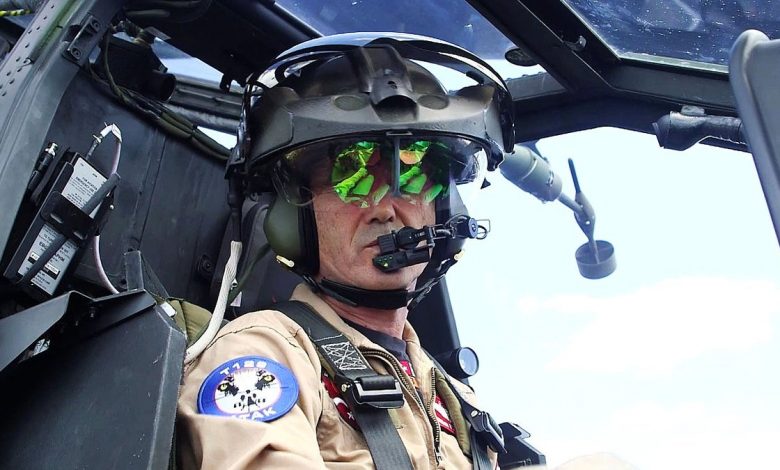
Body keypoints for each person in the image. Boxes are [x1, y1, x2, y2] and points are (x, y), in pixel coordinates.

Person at [177, 33, 630, 470]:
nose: (384, 210)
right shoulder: (264, 353)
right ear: (297, 217)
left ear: (443, 211)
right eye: (352, 180)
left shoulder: (452, 398)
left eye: (411, 179)